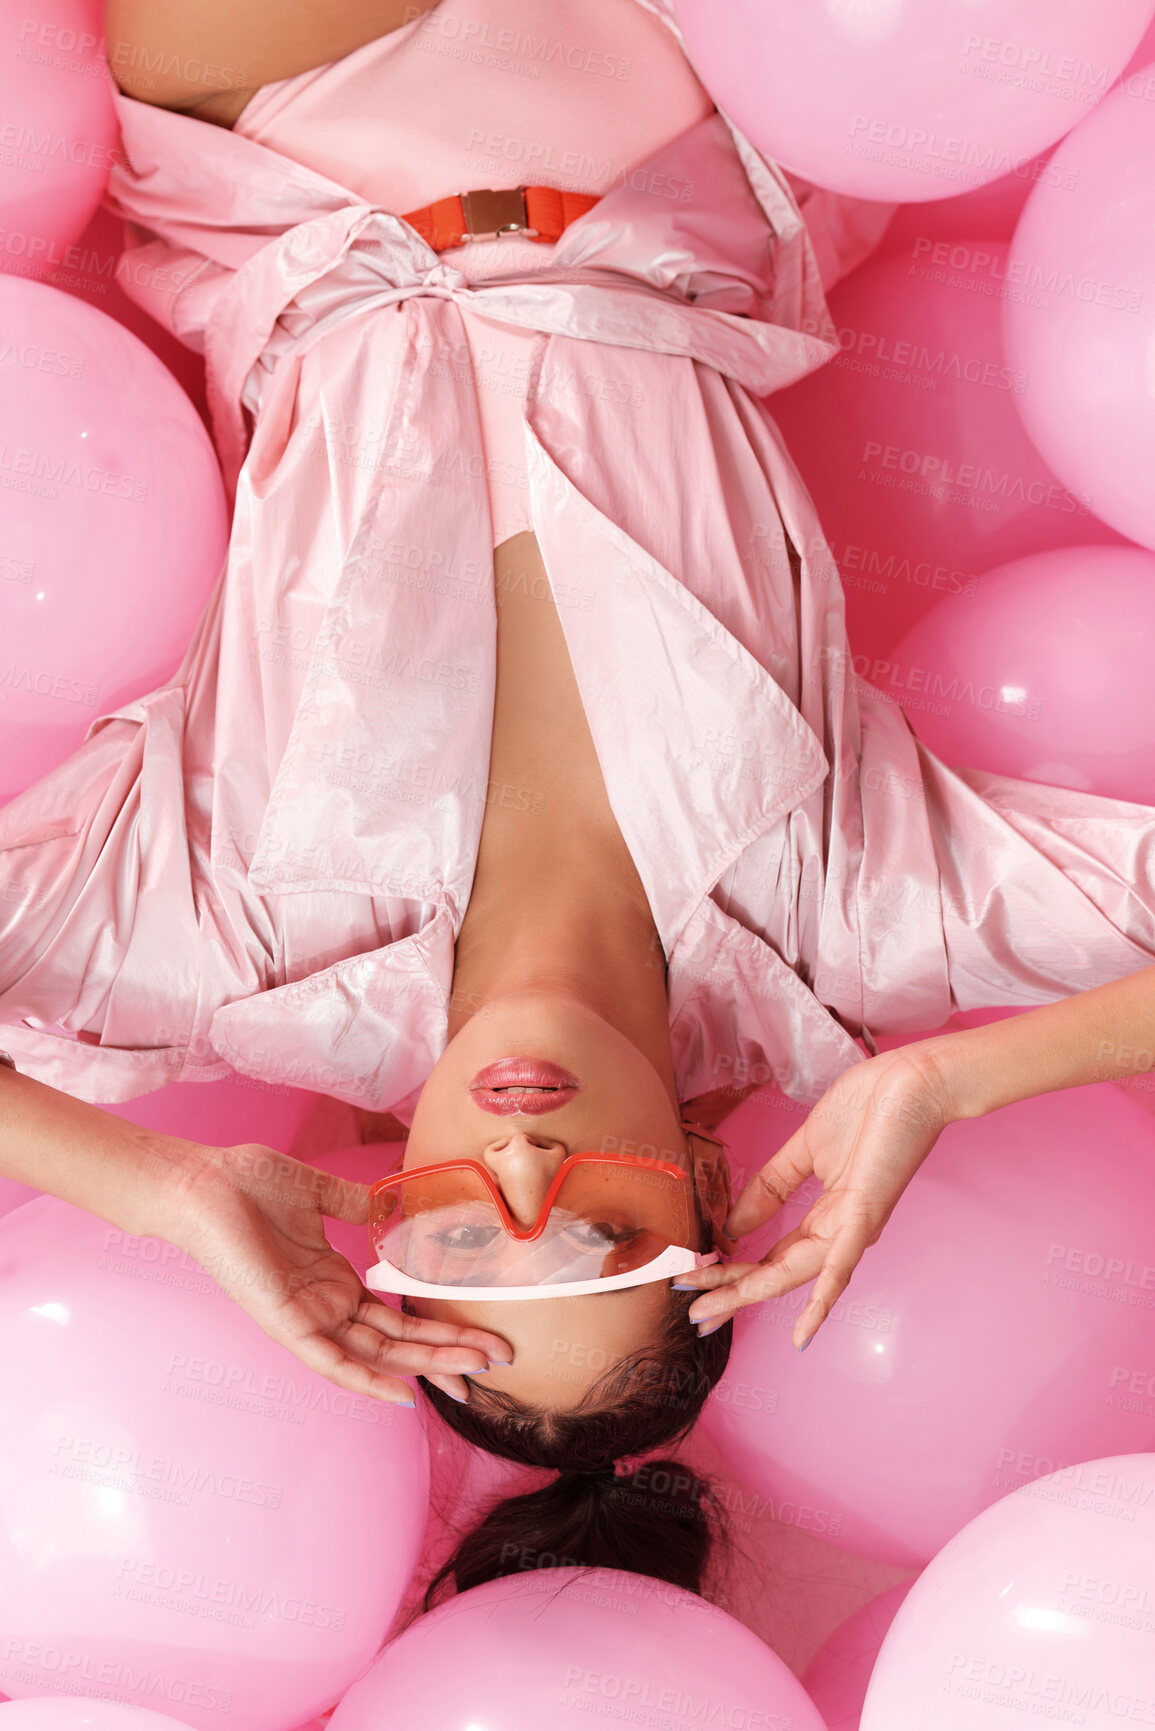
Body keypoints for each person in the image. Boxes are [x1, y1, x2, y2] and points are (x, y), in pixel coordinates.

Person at [3, 0, 1155, 1603]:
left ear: (392, 1217)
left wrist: (167, 1186)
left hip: (297, 115)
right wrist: (951, 1080)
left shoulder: (224, 945)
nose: (521, 1176)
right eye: (602, 1238)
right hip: (665, 114)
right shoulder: (856, 912)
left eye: (466, 1241)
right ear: (704, 1186)